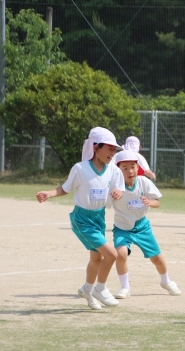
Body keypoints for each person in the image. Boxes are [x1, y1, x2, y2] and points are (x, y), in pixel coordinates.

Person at [36, 127, 125, 310]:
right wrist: (49, 194)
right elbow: (65, 188)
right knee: (112, 254)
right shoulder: (80, 169)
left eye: (114, 149)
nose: (112, 152)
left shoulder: (113, 171)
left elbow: (119, 188)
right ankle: (100, 288)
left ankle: (87, 290)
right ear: (96, 148)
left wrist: (118, 193)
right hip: (82, 220)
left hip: (99, 217)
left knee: (96, 259)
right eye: (108, 148)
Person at [109, 150, 181, 298]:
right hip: (122, 228)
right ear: (118, 170)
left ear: (138, 167)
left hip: (142, 227)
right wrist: (113, 195)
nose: (130, 171)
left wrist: (150, 202)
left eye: (133, 167)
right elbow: (104, 202)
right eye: (125, 168)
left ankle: (166, 281)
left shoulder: (144, 182)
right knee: (121, 255)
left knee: (157, 258)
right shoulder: (114, 187)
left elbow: (157, 202)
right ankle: (125, 287)